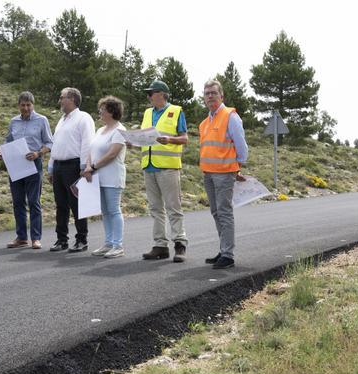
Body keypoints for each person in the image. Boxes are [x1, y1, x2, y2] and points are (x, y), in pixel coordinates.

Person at [199, 79, 248, 269]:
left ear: (221, 96)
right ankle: (223, 249)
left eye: (213, 93)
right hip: (209, 174)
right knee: (216, 212)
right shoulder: (205, 123)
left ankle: (228, 255)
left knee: (224, 212)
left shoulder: (230, 116)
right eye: (207, 93)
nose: (210, 96)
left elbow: (241, 145)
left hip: (225, 173)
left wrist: (238, 167)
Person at [139, 80, 189, 263]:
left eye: (151, 93)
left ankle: (180, 244)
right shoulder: (147, 113)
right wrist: (134, 141)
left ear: (161, 94)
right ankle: (160, 245)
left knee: (173, 207)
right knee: (155, 208)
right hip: (149, 166)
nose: (148, 96)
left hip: (168, 166)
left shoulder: (176, 111)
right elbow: (145, 137)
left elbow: (184, 138)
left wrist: (169, 139)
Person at [2, 91, 53, 249]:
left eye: (28, 105)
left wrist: (38, 153)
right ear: (18, 106)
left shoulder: (41, 120)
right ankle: (21, 237)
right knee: (18, 202)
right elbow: (8, 140)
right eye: (23, 105)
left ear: (33, 105)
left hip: (34, 164)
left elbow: (50, 143)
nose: (25, 108)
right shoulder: (14, 121)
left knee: (33, 201)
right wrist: (1, 151)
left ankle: (36, 238)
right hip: (15, 165)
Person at [48, 87, 95, 252]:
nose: (60, 100)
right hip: (59, 166)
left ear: (72, 99)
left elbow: (87, 143)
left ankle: (82, 239)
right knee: (60, 204)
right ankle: (62, 239)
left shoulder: (83, 118)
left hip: (74, 166)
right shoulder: (62, 119)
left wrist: (84, 167)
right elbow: (56, 143)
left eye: (62, 97)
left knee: (77, 204)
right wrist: (51, 167)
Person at [82, 96, 127, 258]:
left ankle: (118, 245)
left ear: (111, 111)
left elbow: (112, 154)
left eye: (102, 109)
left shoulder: (120, 130)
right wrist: (88, 166)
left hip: (112, 177)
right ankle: (108, 243)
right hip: (97, 177)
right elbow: (91, 150)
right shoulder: (100, 130)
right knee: (105, 212)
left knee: (114, 210)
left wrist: (93, 167)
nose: (99, 112)